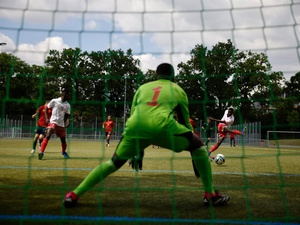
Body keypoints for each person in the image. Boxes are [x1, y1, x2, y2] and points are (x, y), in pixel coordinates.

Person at [63, 63, 229, 208]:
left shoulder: (142, 88)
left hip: (135, 128)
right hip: (163, 127)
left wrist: (139, 150)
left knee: (113, 163)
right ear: (173, 76)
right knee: (199, 146)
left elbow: (134, 113)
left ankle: (74, 194)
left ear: (156, 75)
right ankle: (210, 195)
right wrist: (194, 151)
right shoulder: (178, 90)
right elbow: (186, 123)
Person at [38, 89, 71, 160]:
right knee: (48, 135)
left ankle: (63, 152)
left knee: (63, 139)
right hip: (53, 121)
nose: (69, 96)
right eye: (68, 95)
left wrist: (67, 121)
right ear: (63, 95)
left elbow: (67, 115)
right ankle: (41, 152)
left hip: (61, 124)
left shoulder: (68, 105)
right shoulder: (54, 101)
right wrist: (47, 118)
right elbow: (46, 108)